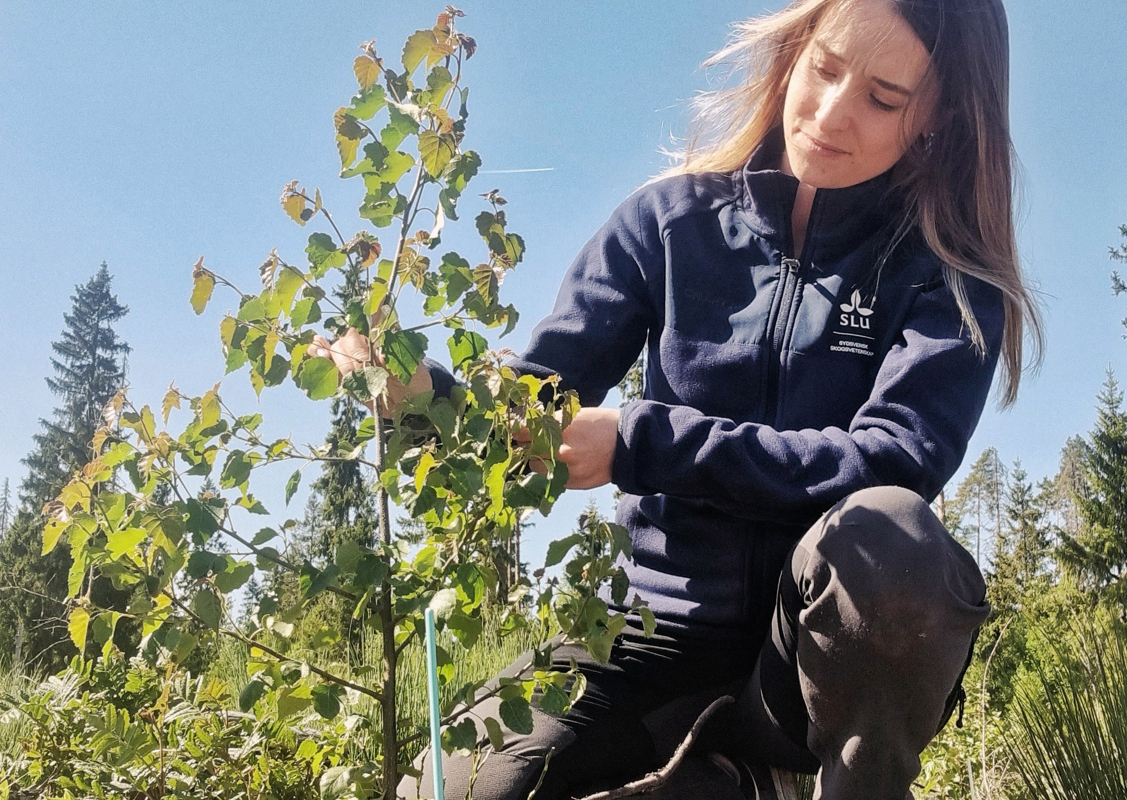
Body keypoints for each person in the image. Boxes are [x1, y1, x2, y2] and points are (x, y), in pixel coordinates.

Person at [311, 0, 1042, 797]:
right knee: (449, 790)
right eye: (825, 69)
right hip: (648, 635)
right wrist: (423, 398)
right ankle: (716, 775)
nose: (832, 114)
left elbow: (892, 458)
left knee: (892, 536)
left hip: (803, 675)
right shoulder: (669, 223)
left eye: (882, 98)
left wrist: (640, 442)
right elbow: (535, 408)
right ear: (794, 50)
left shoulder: (947, 275)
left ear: (939, 112)